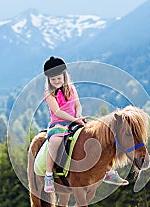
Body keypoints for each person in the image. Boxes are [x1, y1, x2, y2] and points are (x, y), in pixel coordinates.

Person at [42, 56, 129, 193]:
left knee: (95, 138)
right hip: (58, 123)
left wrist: (78, 117)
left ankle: (107, 170)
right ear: (49, 80)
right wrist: (73, 119)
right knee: (54, 142)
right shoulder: (48, 93)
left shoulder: (71, 89)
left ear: (64, 76)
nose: (57, 82)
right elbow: (57, 111)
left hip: (75, 120)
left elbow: (77, 105)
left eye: (59, 78)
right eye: (53, 80)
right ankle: (48, 175)